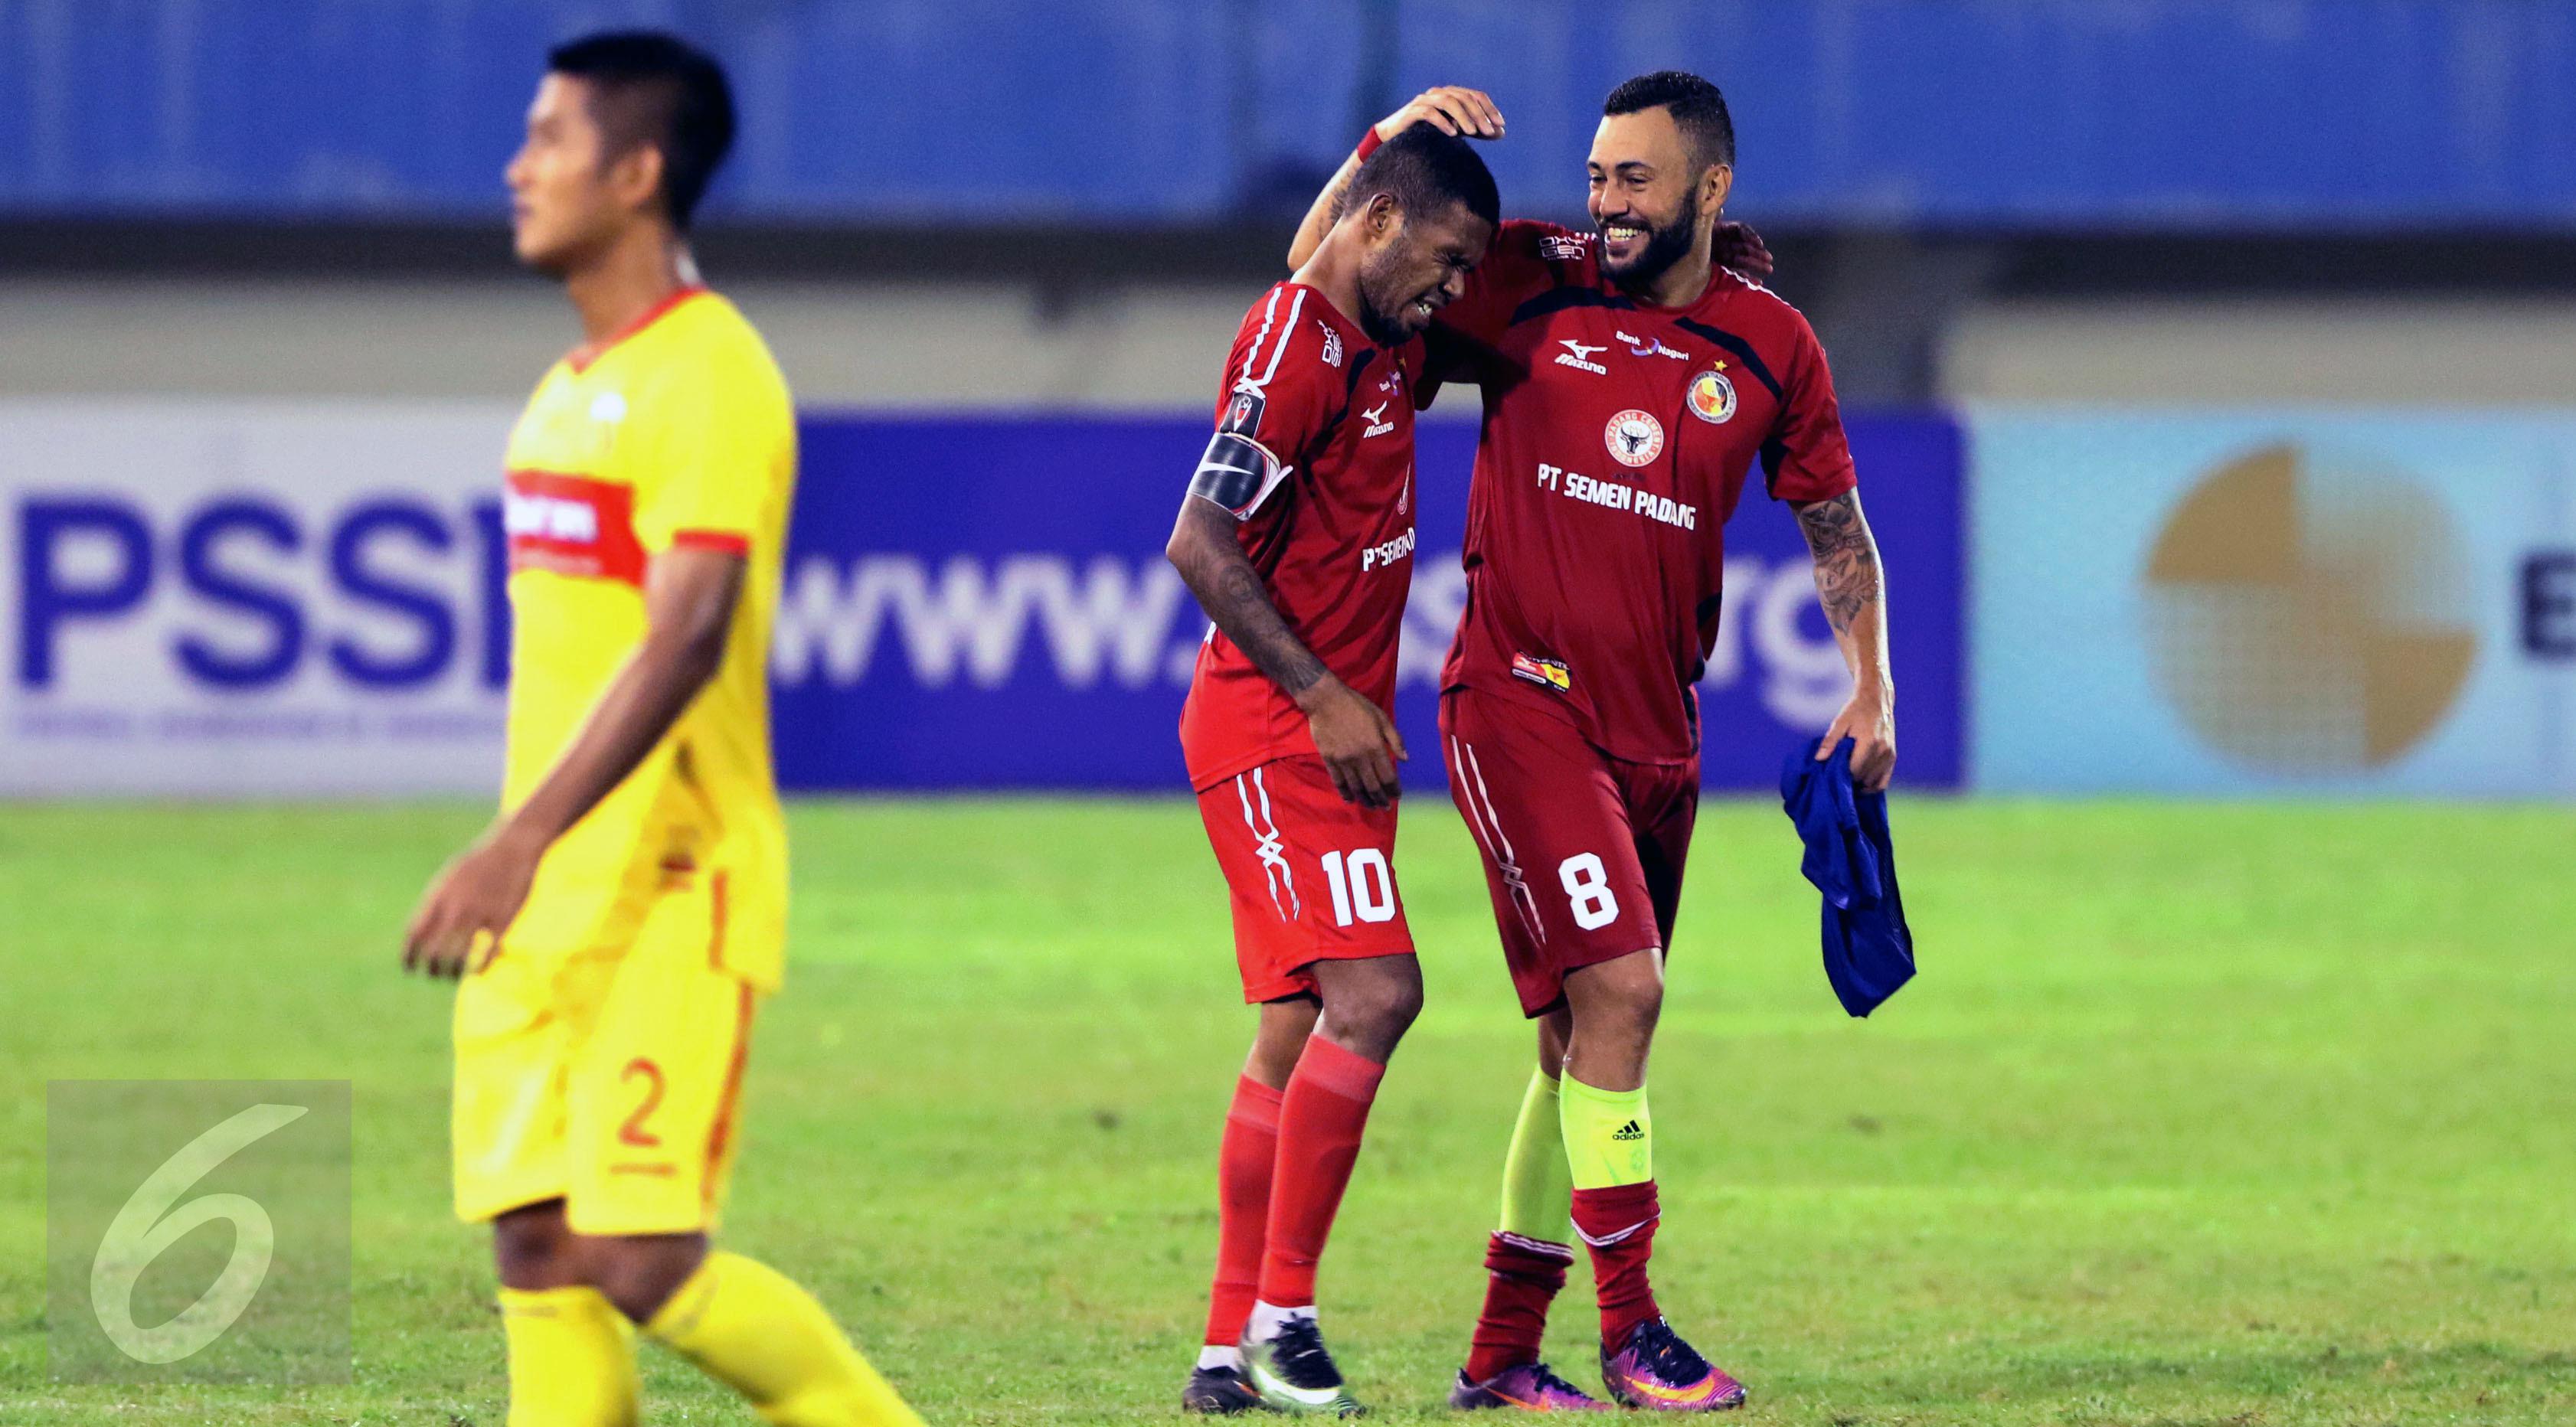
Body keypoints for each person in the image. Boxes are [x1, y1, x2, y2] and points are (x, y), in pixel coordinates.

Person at [1286, 73, 1897, 1412]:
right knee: (1622, 994)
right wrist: (1390, 140)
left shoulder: (1773, 344)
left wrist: (1872, 690)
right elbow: (1318, 269)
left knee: (1580, 1048)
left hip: (1658, 734)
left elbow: (1836, 529)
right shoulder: (1523, 280)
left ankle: (1502, 1356)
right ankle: (1633, 1334)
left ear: (1710, 192)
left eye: (1636, 180)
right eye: (1600, 176)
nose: (1607, 204)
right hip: (1517, 699)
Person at [400, 31, 919, 1427]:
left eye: (549, 139)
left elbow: (687, 636)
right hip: (550, 895)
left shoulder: (710, 373)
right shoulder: (565, 392)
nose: (517, 168)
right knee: (534, 1242)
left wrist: (516, 838)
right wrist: (530, 855)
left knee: (638, 1253)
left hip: (670, 883)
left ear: (636, 173)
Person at [1165, 123, 1499, 1416]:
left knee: (1298, 1028)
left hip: (1328, 739)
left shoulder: (1371, 335)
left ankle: (1217, 1352)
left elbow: (1326, 244)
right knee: (1379, 995)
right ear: (1381, 226)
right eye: (1446, 259)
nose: (1455, 291)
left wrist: (1384, 136)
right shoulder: (1295, 349)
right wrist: (1321, 694)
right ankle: (1281, 1319)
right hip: (1277, 729)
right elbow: (1198, 539)